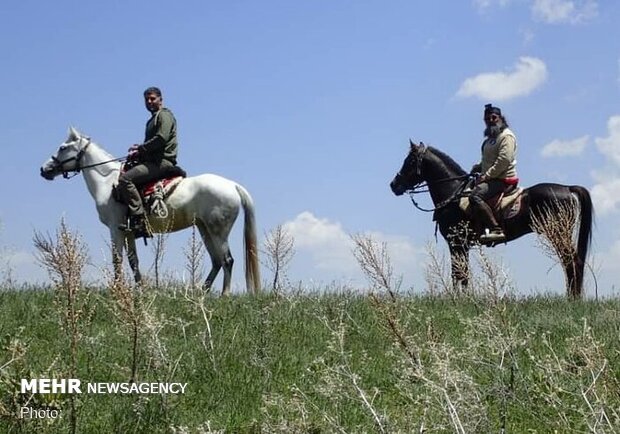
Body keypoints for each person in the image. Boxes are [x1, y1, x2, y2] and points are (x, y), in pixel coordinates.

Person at [117, 86, 179, 237]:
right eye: (147, 100)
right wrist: (139, 151)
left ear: (160, 99)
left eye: (153, 99)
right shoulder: (152, 119)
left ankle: (139, 219)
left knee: (125, 179)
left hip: (161, 163)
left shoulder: (164, 116)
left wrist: (141, 149)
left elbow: (161, 138)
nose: (149, 102)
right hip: (153, 161)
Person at [469, 103, 518, 244]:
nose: (491, 120)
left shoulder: (506, 136)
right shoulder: (490, 139)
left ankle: (496, 229)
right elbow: (489, 160)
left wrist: (486, 176)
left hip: (503, 179)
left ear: (500, 118)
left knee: (475, 196)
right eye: (487, 119)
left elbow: (504, 160)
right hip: (492, 177)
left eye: (493, 117)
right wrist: (478, 167)